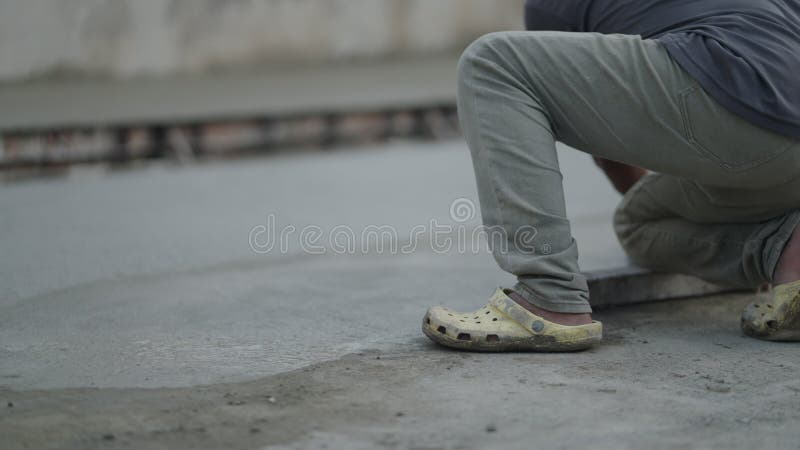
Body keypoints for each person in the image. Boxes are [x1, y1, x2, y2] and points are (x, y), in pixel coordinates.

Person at [423, 0, 800, 351]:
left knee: (494, 64)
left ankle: (549, 297)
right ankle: (788, 250)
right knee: (640, 221)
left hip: (735, 87)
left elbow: (607, 141)